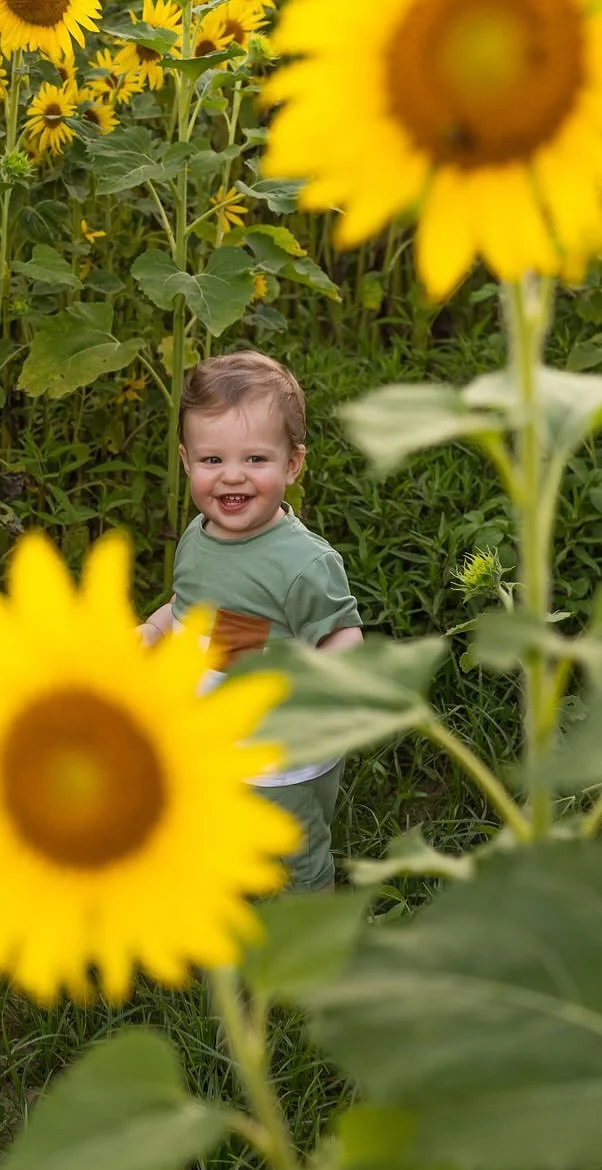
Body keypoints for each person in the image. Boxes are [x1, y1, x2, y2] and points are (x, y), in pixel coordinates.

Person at [139, 349, 363, 892]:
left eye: (255, 460)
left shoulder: (302, 563)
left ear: (292, 464)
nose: (231, 477)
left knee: (288, 847)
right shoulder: (197, 537)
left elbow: (345, 639)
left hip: (276, 748)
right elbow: (189, 607)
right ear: (187, 460)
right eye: (213, 460)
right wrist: (152, 630)